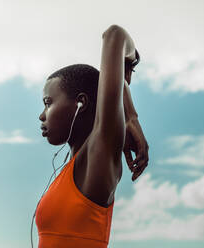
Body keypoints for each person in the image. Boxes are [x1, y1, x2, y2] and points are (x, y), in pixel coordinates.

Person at [35, 24, 149, 248]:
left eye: (49, 103)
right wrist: (124, 89)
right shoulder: (73, 168)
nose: (41, 116)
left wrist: (131, 117)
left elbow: (114, 35)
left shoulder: (97, 157)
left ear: (81, 103)